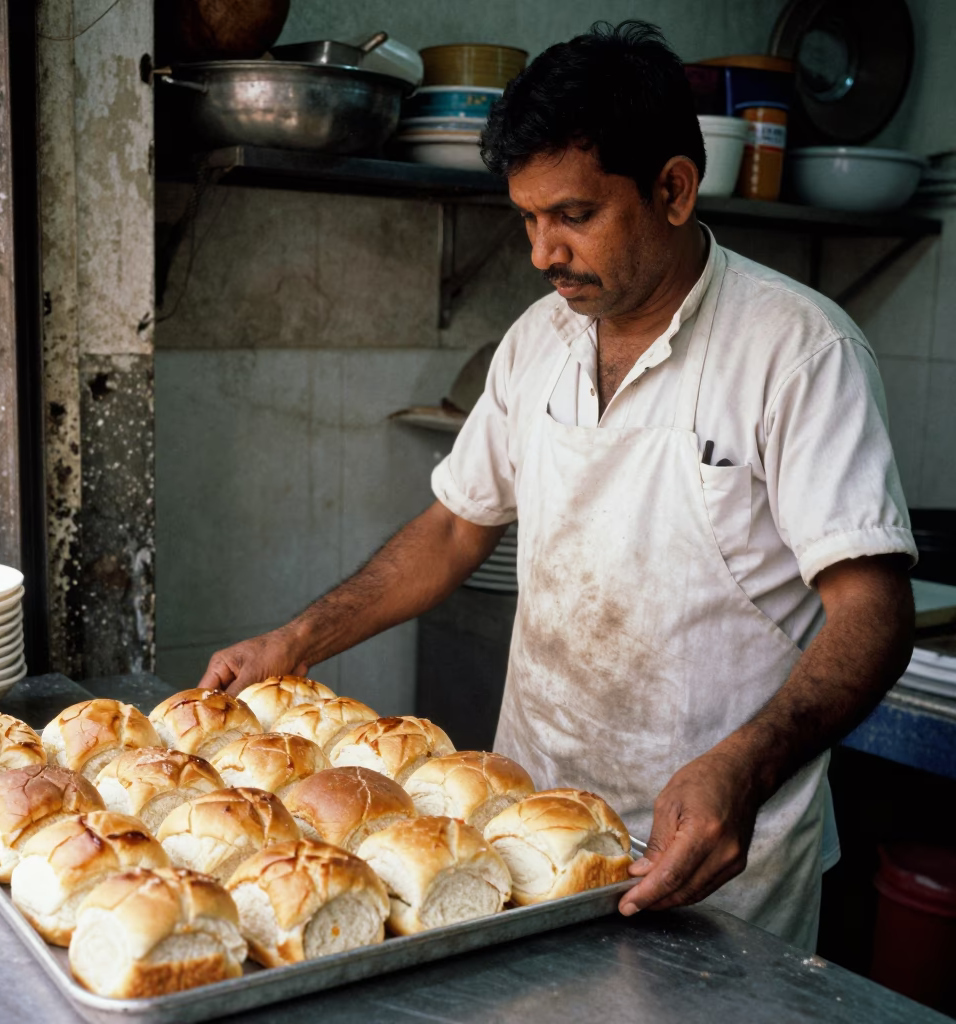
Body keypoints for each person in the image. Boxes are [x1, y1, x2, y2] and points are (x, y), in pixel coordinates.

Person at [200, 22, 916, 950]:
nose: (542, 252)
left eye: (573, 215)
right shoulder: (538, 341)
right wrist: (294, 642)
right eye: (528, 219)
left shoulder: (799, 353)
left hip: (712, 861)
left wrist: (743, 766)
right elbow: (456, 529)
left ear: (672, 188)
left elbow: (873, 612)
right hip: (527, 840)